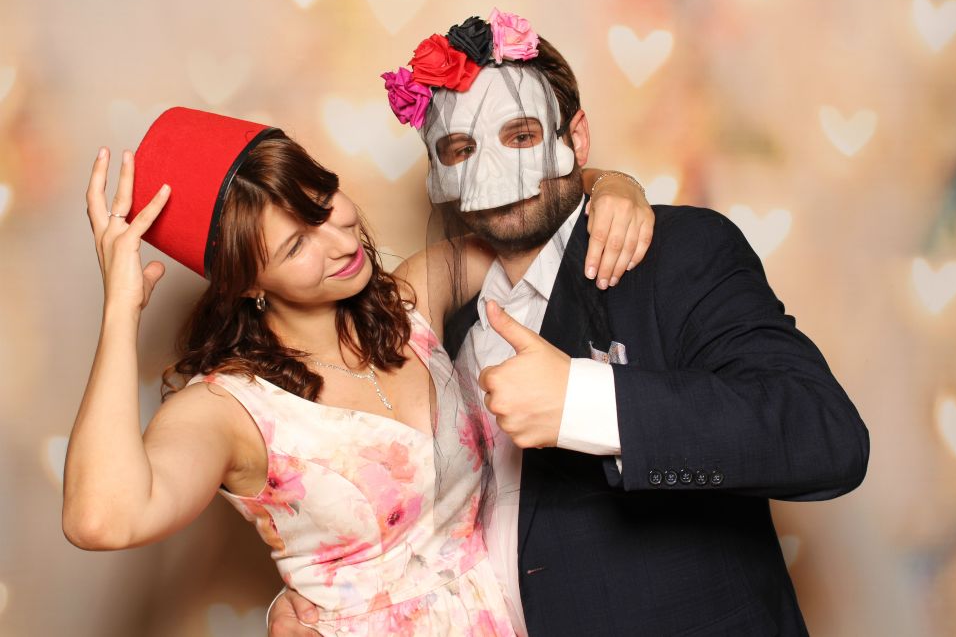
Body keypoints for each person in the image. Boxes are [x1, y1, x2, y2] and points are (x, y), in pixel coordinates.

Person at [271, 9, 870, 636]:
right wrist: (326, 598)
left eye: (521, 136)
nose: (494, 172)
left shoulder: (676, 253)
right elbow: (403, 502)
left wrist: (587, 403)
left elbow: (826, 437)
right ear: (437, 171)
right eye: (462, 149)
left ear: (575, 139)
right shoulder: (438, 318)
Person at [61, 106, 654, 636]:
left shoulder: (411, 304)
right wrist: (120, 310)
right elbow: (101, 519)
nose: (340, 244)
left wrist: (615, 186)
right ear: (244, 283)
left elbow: (538, 218)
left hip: (515, 611)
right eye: (296, 246)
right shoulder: (231, 409)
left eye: (324, 205)